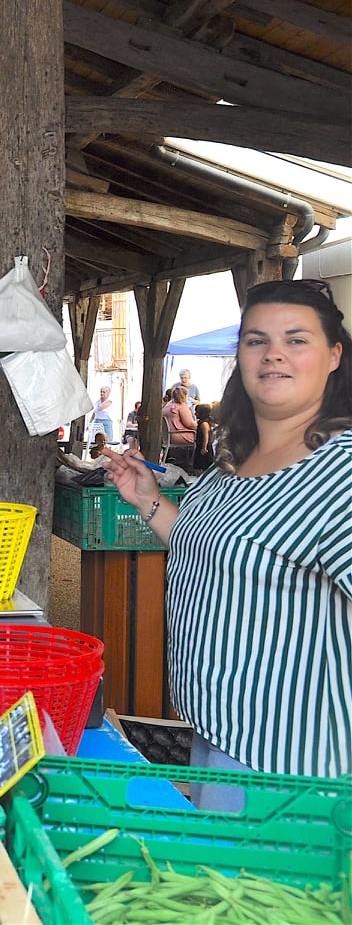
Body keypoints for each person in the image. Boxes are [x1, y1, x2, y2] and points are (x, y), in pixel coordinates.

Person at [101, 278, 350, 794]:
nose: (273, 355)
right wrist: (148, 499)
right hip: (218, 734)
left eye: (296, 340)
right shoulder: (237, 459)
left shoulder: (339, 474)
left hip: (290, 767)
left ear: (333, 356)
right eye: (257, 340)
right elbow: (210, 546)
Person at [162, 385, 197, 465]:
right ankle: (196, 464)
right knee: (203, 436)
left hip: (168, 436)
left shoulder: (167, 406)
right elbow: (190, 424)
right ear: (184, 396)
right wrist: (200, 425)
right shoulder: (181, 407)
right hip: (179, 435)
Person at [191, 402, 217, 472]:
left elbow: (206, 436)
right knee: (198, 464)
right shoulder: (200, 423)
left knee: (203, 464)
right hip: (199, 445)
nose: (195, 413)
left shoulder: (204, 424)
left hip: (203, 446)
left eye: (196, 412)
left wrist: (204, 447)